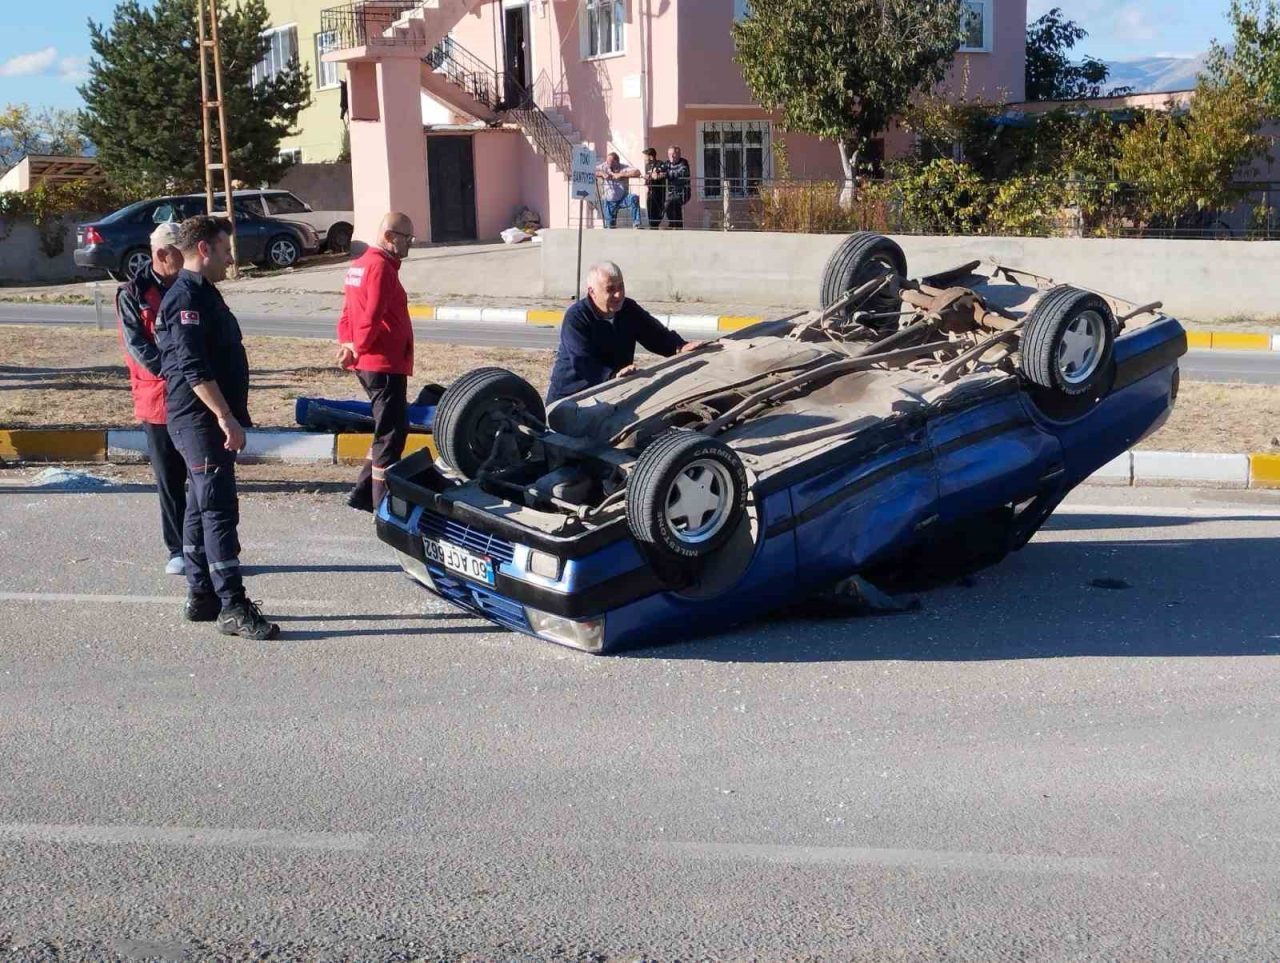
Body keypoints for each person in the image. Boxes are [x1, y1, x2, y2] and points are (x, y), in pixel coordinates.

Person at [155, 215, 279, 641]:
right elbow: (192, 367)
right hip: (200, 418)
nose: (230, 259)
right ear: (204, 250)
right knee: (218, 507)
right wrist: (225, 417)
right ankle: (232, 604)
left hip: (202, 417)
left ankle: (202, 594)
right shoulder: (185, 297)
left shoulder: (204, 292)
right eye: (225, 251)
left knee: (198, 505)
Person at [115, 222, 188, 575]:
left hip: (194, 396)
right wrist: (176, 372)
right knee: (170, 477)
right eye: (180, 253)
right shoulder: (133, 293)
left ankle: (208, 546)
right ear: (162, 254)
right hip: (158, 397)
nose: (187, 259)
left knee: (204, 476)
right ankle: (178, 549)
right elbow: (138, 346)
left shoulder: (191, 284)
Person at [335, 212, 416, 512]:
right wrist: (358, 347)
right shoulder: (380, 267)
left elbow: (347, 313)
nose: (410, 245)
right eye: (407, 238)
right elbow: (372, 315)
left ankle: (363, 491)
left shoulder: (359, 265)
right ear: (389, 237)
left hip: (372, 360)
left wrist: (348, 343)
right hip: (382, 363)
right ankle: (380, 501)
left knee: (389, 428)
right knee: (392, 433)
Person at [546, 261, 707, 405]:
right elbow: (583, 361)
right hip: (571, 400)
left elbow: (655, 335)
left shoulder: (628, 309)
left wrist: (679, 346)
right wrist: (611, 376)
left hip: (612, 393)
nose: (618, 295)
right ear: (592, 291)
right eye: (610, 289)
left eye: (621, 287)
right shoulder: (576, 317)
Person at [597, 152, 642, 229]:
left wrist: (621, 174)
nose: (608, 164)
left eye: (610, 162)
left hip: (623, 198)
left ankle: (636, 223)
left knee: (634, 198)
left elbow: (637, 172)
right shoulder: (604, 166)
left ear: (616, 162)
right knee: (610, 226)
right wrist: (601, 173)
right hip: (610, 201)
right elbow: (591, 170)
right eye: (607, 161)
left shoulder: (623, 167)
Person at [664, 145, 691, 230]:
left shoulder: (683, 162)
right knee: (668, 206)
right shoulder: (667, 163)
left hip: (683, 192)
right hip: (671, 192)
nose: (671, 156)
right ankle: (673, 225)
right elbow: (661, 170)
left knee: (673, 203)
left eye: (673, 154)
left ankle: (677, 227)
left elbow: (682, 173)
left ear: (679, 154)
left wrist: (667, 174)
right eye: (669, 154)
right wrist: (655, 173)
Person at [642, 147, 667, 230]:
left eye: (645, 156)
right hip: (650, 192)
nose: (644, 158)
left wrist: (653, 176)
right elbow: (649, 177)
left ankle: (654, 227)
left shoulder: (660, 163)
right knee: (650, 212)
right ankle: (652, 228)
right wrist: (646, 179)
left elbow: (660, 175)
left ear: (650, 156)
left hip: (659, 192)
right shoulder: (647, 166)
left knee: (659, 211)